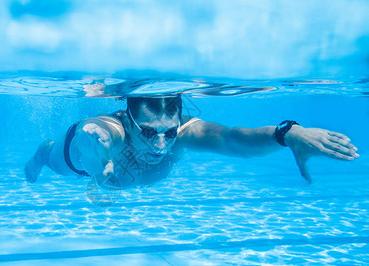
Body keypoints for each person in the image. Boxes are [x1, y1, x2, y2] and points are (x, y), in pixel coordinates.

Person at [24, 94, 359, 188]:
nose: (161, 145)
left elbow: (231, 139)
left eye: (169, 132)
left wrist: (286, 133)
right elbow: (99, 130)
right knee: (57, 161)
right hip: (77, 158)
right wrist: (92, 141)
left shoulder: (182, 133)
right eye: (149, 132)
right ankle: (42, 152)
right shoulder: (113, 128)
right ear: (129, 120)